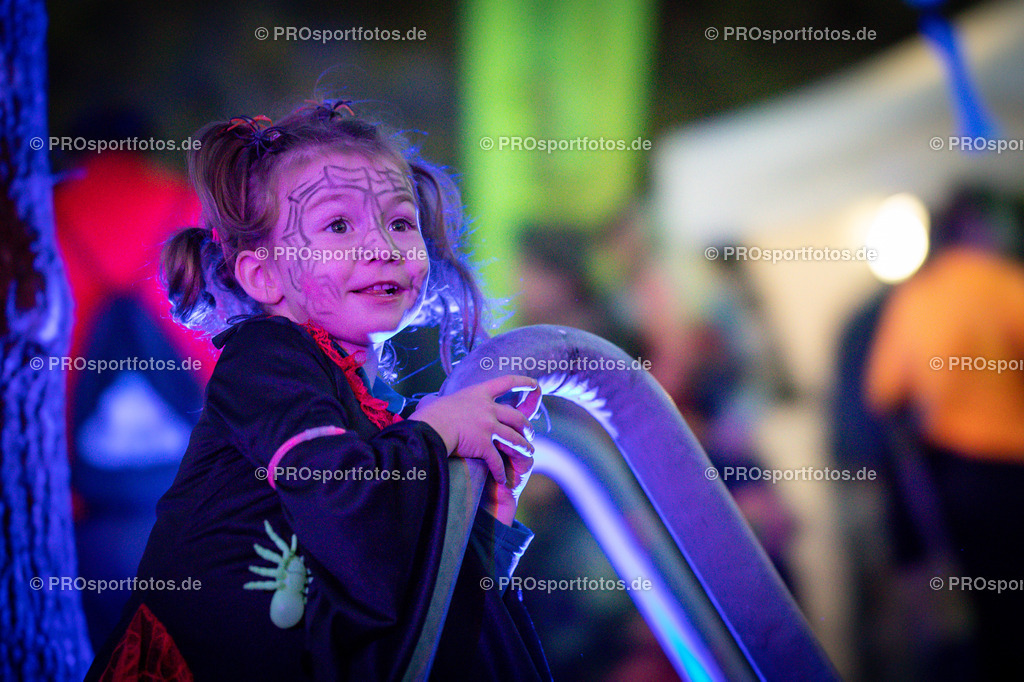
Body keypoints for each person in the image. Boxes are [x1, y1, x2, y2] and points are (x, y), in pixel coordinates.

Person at [85, 100, 551, 681]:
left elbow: (419, 637)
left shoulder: (383, 416)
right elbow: (348, 514)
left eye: (401, 222)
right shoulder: (265, 359)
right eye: (338, 225)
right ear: (264, 276)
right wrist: (436, 435)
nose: (383, 246)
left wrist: (480, 516)